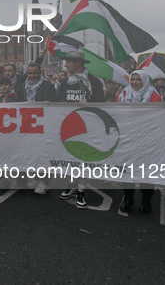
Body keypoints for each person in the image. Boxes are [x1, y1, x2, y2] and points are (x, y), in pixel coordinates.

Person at [55, 51, 105, 208]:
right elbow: (58, 102)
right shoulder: (65, 82)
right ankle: (70, 186)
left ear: (78, 63)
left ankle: (81, 192)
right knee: (69, 159)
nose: (65, 65)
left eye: (68, 62)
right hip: (69, 126)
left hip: (87, 127)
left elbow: (102, 105)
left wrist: (88, 105)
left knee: (83, 161)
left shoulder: (94, 81)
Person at [117, 70, 162, 214]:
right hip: (128, 138)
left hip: (147, 139)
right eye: (132, 79)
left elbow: (158, 115)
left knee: (146, 170)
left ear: (145, 81)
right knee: (126, 169)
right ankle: (128, 197)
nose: (135, 82)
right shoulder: (124, 93)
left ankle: (146, 199)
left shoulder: (153, 95)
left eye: (138, 80)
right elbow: (116, 111)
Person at [14, 63, 56, 193]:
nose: (32, 76)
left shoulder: (48, 86)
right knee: (28, 151)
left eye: (35, 73)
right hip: (26, 125)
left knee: (43, 153)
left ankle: (44, 182)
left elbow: (56, 102)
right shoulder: (21, 88)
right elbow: (15, 104)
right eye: (30, 73)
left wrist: (50, 104)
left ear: (40, 73)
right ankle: (31, 176)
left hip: (43, 126)